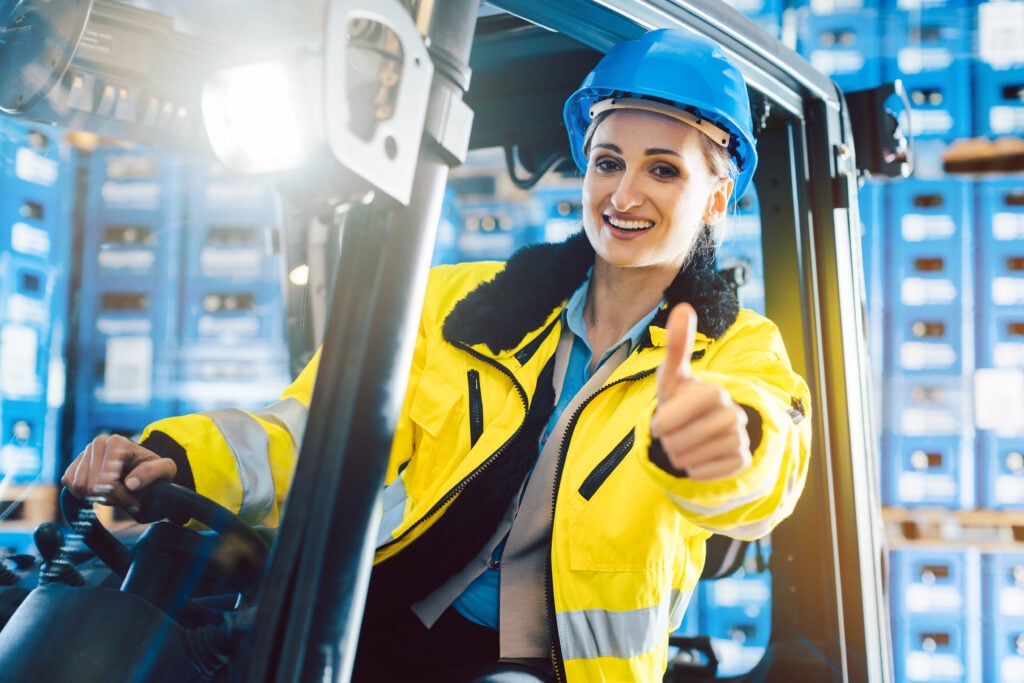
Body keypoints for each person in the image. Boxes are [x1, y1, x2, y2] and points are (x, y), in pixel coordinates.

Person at [63, 28, 812, 682]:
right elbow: (315, 427)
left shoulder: (734, 356)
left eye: (664, 169)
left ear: (717, 197)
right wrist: (175, 458)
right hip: (368, 615)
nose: (623, 192)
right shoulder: (466, 303)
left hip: (544, 666)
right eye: (608, 161)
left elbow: (771, 459)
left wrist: (721, 448)